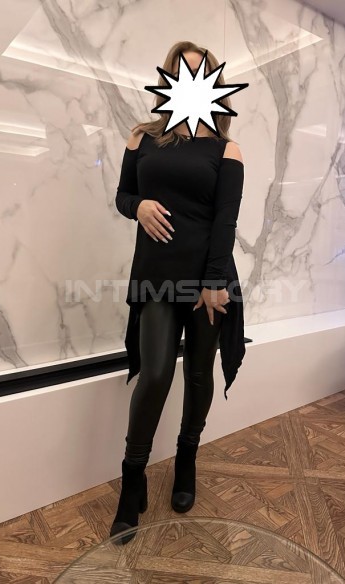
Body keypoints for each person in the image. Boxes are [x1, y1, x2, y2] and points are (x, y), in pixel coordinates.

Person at [111, 40, 246, 544]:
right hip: (155, 274)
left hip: (209, 278)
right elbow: (123, 195)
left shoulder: (226, 149)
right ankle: (133, 478)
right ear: (169, 78)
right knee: (155, 374)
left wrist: (213, 282)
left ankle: (187, 457)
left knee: (198, 374)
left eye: (201, 72)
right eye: (184, 71)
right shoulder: (142, 137)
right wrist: (139, 206)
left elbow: (225, 221)